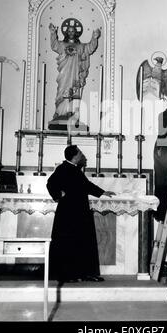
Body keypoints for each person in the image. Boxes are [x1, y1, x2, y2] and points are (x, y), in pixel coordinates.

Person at [47, 145, 115, 283]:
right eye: (80, 153)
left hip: (80, 211)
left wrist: (102, 192)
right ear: (75, 156)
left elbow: (87, 185)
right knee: (68, 243)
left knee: (84, 241)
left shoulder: (75, 169)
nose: (82, 155)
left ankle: (86, 273)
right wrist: (58, 194)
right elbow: (50, 183)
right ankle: (68, 275)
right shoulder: (63, 168)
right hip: (67, 213)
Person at [49, 18, 101, 126]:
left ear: (76, 33)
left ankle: (72, 114)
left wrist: (94, 38)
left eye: (73, 31)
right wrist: (53, 33)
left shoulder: (80, 47)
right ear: (66, 32)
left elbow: (90, 48)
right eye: (69, 31)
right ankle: (60, 113)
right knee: (62, 91)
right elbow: (54, 45)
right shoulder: (62, 45)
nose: (71, 33)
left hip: (75, 75)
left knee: (74, 92)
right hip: (64, 74)